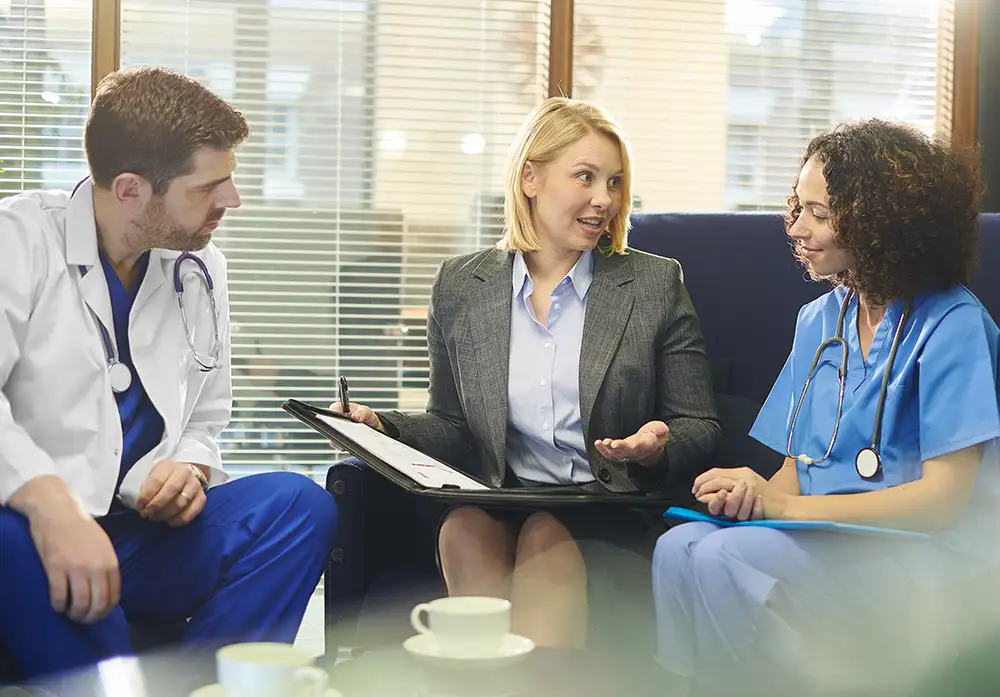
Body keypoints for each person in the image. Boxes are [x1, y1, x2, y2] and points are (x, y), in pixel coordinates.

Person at [332, 97, 721, 648]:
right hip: (500, 494)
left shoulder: (654, 284)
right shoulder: (461, 285)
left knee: (545, 536)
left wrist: (657, 445)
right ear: (531, 177)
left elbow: (697, 423)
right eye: (585, 177)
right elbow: (451, 423)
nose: (603, 200)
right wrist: (382, 426)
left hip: (603, 503)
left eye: (613, 182)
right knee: (463, 527)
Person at [0, 66, 337, 681]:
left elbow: (208, 415)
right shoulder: (17, 242)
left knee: (299, 506)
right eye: (209, 186)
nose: (230, 200)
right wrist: (54, 509)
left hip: (139, 530)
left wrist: (189, 464)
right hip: (33, 531)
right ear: (130, 189)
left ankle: (204, 685)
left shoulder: (199, 266)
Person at [652, 119, 1000, 696]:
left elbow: (942, 503)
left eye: (820, 214)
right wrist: (755, 493)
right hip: (828, 540)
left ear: (881, 223)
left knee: (725, 560)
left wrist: (781, 512)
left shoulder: (952, 323)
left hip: (926, 552)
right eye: (797, 207)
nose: (796, 228)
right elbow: (797, 469)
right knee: (679, 548)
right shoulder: (819, 321)